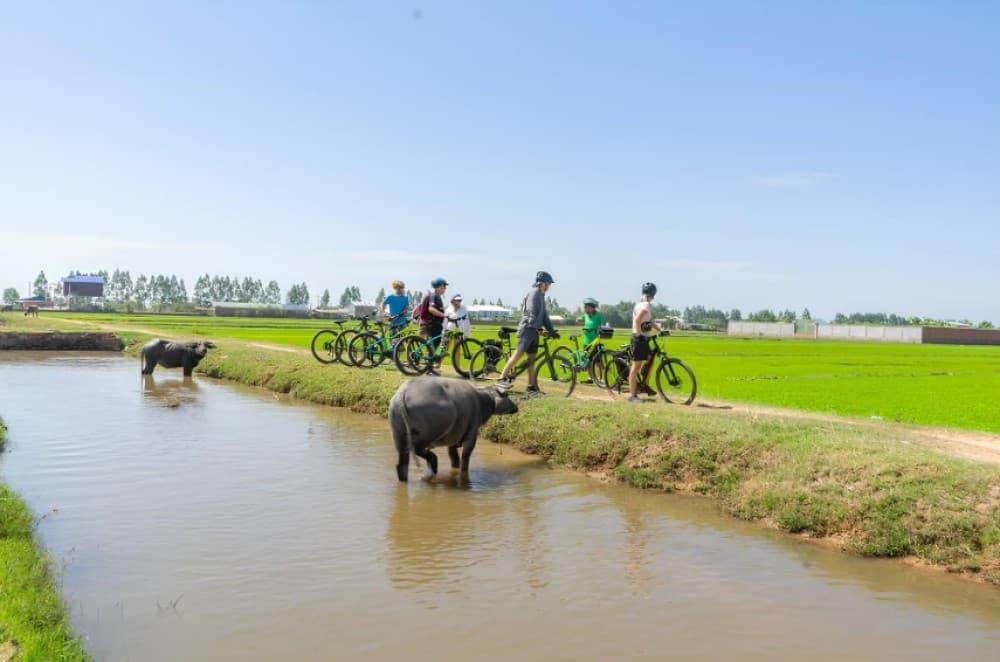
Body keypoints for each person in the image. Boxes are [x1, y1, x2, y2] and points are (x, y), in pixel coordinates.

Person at [498, 271, 557, 395]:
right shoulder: (534, 293)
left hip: (534, 330)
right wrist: (535, 325)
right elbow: (531, 311)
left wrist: (551, 330)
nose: (549, 287)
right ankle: (501, 379)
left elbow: (544, 315)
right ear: (542, 283)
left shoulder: (541, 295)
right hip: (527, 329)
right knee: (517, 355)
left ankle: (531, 386)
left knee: (531, 359)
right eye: (548, 284)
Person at [629, 282, 663, 402]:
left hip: (643, 337)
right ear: (653, 295)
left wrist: (660, 330)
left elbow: (650, 321)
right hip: (639, 338)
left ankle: (644, 385)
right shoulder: (646, 305)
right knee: (636, 366)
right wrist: (639, 334)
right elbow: (638, 319)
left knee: (650, 359)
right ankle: (632, 395)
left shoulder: (640, 304)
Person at [415, 278, 449, 374]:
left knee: (433, 345)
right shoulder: (434, 296)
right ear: (439, 287)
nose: (445, 289)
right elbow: (431, 309)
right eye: (444, 287)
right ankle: (429, 369)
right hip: (432, 323)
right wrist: (443, 315)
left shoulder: (436, 296)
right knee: (431, 346)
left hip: (434, 323)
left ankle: (429, 366)